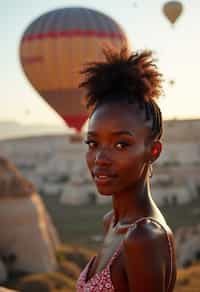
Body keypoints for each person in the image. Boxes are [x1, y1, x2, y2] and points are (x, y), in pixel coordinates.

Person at [76, 47, 177, 291]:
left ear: (153, 151)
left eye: (121, 144)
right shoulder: (111, 222)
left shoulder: (144, 238)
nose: (100, 158)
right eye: (93, 143)